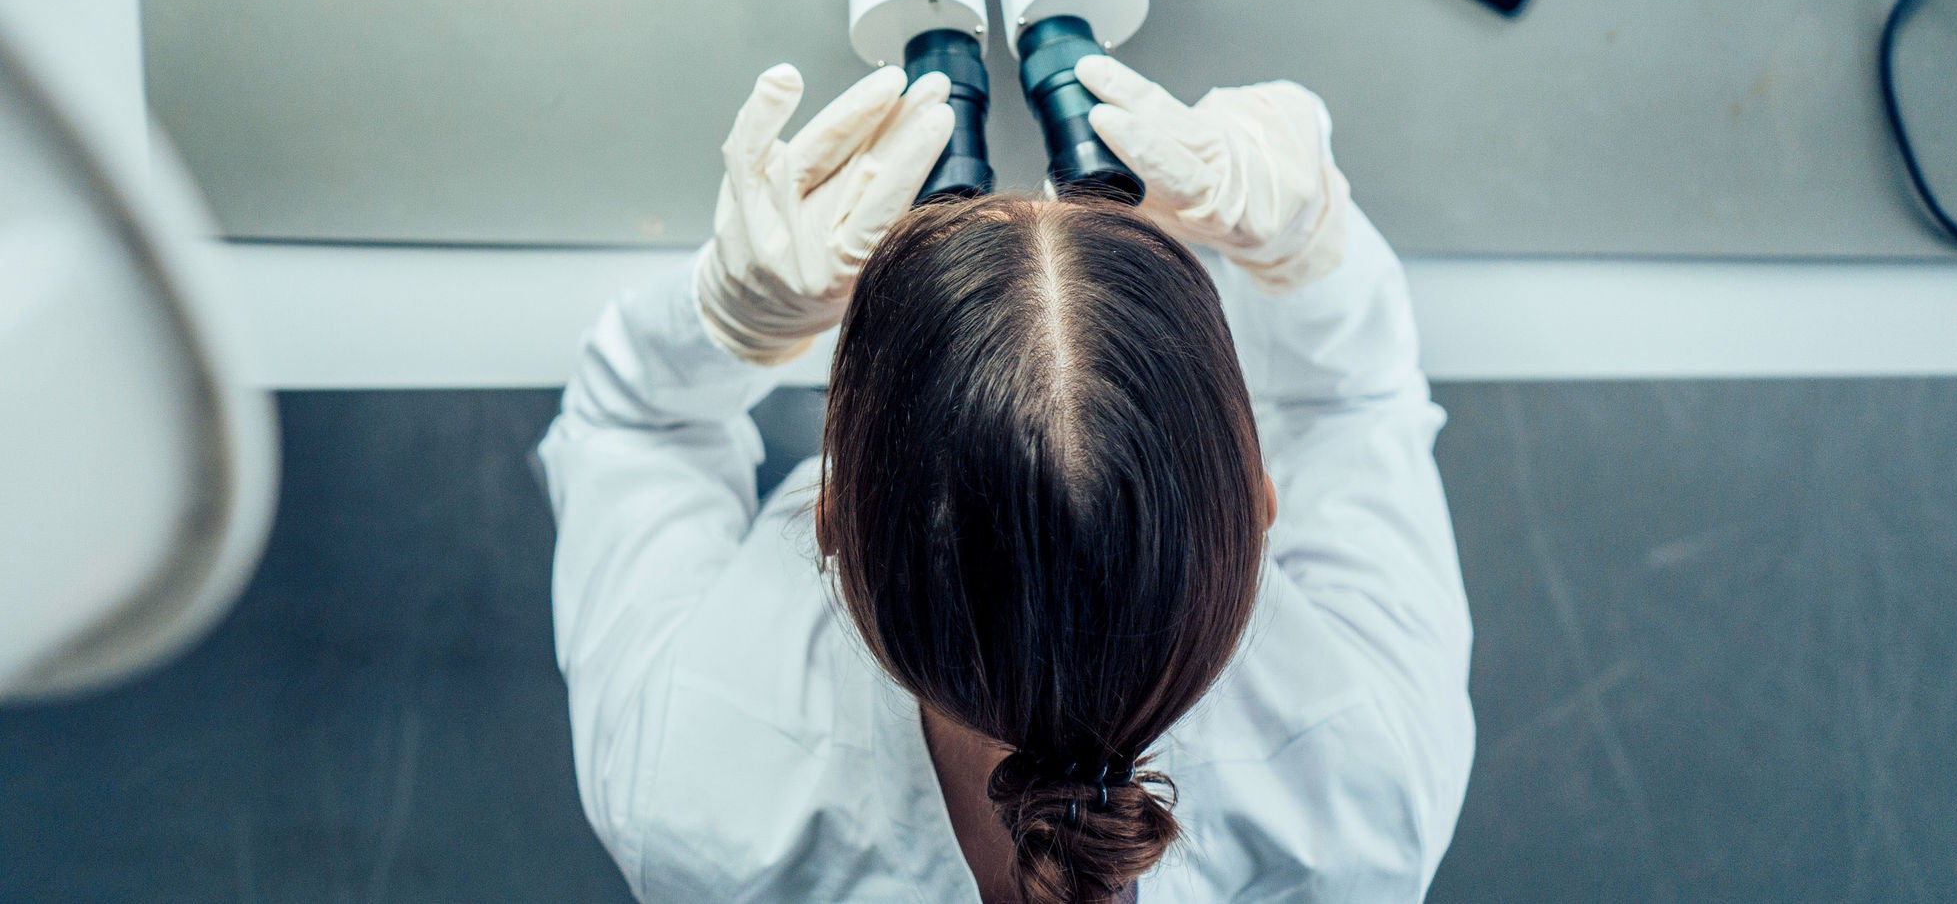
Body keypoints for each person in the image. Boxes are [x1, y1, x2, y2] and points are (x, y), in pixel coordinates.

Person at [538, 55, 1475, 903]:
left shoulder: (689, 792)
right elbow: (1358, 415)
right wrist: (1306, 244)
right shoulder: (1367, 802)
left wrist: (729, 317)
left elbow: (630, 429)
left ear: (829, 523)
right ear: (1264, 506)